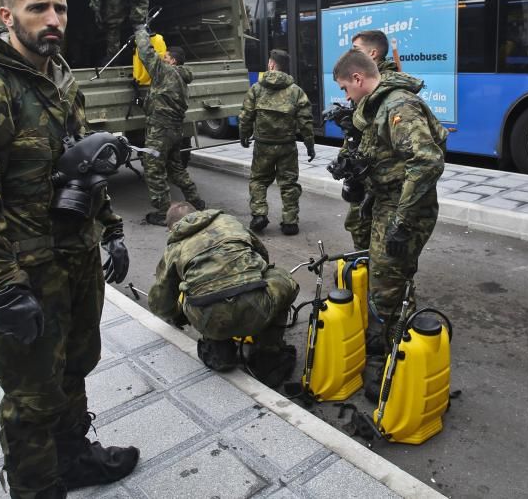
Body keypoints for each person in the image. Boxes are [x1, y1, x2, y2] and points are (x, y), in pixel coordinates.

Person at [0, 0, 138, 499]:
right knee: (30, 394)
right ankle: (35, 487)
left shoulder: (60, 80)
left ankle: (73, 459)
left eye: (60, 9)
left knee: (76, 366)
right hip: (29, 272)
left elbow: (84, 167)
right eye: (37, 9)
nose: (53, 20)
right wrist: (4, 284)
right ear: (7, 17)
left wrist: (112, 229)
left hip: (77, 257)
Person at [331, 48, 446, 397]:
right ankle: (392, 337)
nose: (345, 96)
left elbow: (426, 162)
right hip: (387, 202)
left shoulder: (398, 106)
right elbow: (381, 157)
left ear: (357, 78)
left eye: (344, 88)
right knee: (390, 277)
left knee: (386, 282)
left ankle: (387, 359)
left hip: (406, 208)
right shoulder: (375, 106)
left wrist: (403, 222)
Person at [148, 202, 300, 386]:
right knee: (282, 278)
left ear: (172, 227)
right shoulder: (228, 222)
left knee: (197, 292)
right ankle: (267, 357)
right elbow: (262, 255)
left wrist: (178, 315)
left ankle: (220, 352)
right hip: (256, 308)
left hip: (208, 320)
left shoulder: (174, 248)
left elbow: (160, 304)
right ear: (200, 214)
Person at [238, 49, 314, 235]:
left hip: (263, 145)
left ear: (271, 65)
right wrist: (309, 145)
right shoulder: (296, 91)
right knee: (288, 183)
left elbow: (246, 115)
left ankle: (259, 215)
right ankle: (290, 222)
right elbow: (306, 120)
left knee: (258, 180)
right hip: (287, 145)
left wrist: (244, 135)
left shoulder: (256, 88)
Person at [133, 29, 204, 226]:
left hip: (160, 131)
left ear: (172, 61)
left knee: (153, 168)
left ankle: (164, 211)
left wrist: (141, 32)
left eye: (165, 57)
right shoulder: (181, 77)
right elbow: (162, 99)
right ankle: (195, 200)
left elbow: (146, 54)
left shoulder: (166, 72)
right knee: (175, 168)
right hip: (174, 130)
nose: (162, 59)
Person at [342, 30, 401, 250]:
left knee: (381, 244)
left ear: (373, 53)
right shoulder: (364, 84)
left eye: (356, 50)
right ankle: (362, 272)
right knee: (358, 225)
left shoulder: (385, 87)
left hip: (383, 180)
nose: (351, 54)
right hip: (364, 173)